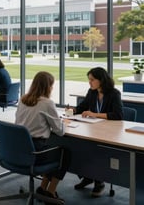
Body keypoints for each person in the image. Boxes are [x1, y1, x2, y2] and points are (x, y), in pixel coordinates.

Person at [15, 71, 69, 204]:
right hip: (35, 151)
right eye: (52, 85)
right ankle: (50, 191)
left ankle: (42, 188)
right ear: (47, 86)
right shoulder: (47, 103)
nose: (52, 88)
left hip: (18, 150)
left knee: (51, 148)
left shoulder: (23, 99)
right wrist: (64, 123)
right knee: (64, 153)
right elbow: (60, 131)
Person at [71, 67, 123, 197]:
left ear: (101, 80)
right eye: (89, 80)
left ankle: (99, 182)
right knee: (79, 146)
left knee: (97, 150)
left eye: (92, 80)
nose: (90, 83)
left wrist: (95, 114)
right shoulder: (92, 92)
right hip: (93, 128)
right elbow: (82, 107)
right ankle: (88, 176)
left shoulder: (114, 93)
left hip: (110, 131)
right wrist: (71, 111)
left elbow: (118, 115)